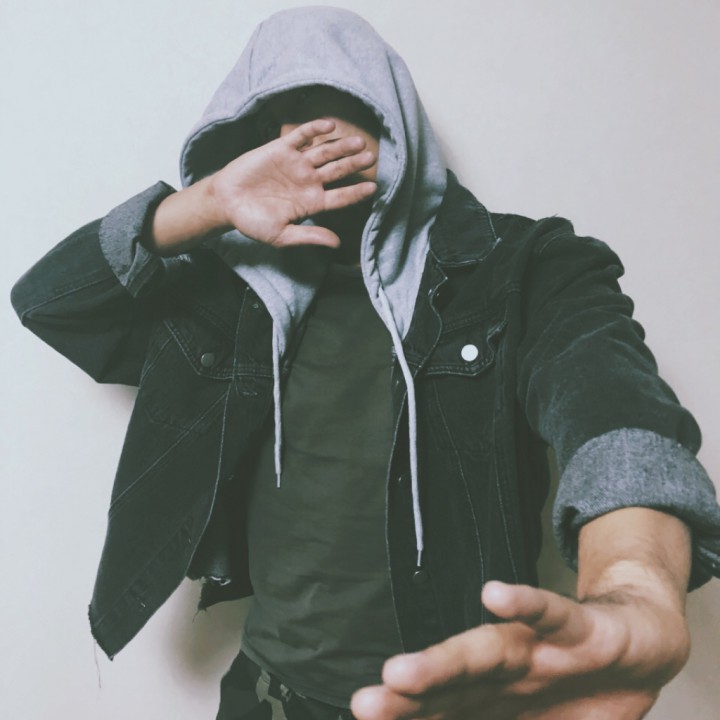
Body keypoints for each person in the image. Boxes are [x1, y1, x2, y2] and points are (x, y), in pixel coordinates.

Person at [10, 6, 720, 720]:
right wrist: (208, 203)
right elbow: (50, 303)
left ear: (399, 116)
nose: (316, 134)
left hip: (456, 700)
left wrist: (636, 590)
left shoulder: (522, 268)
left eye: (346, 100)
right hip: (267, 699)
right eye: (285, 112)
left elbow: (612, 407)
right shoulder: (227, 293)